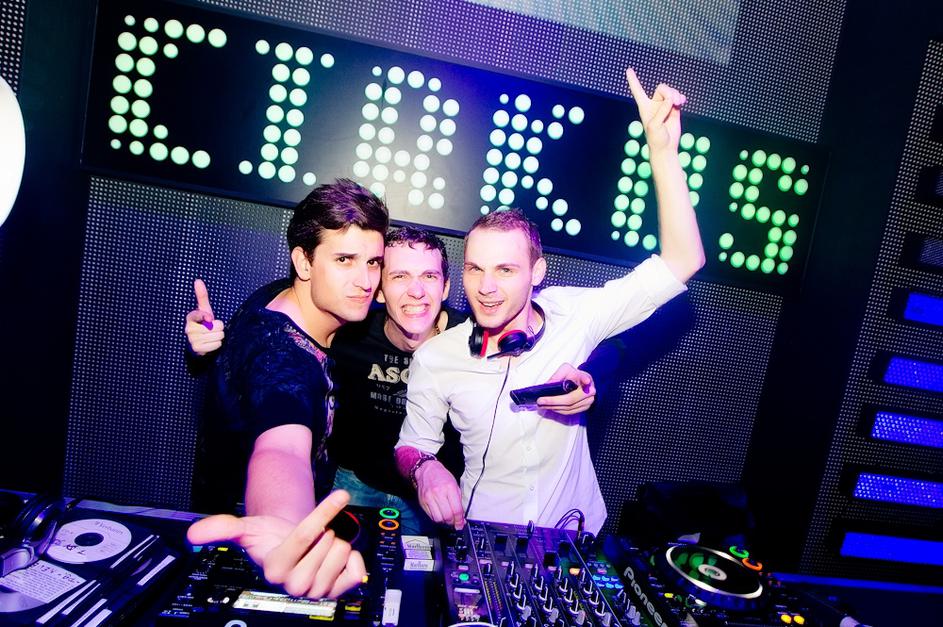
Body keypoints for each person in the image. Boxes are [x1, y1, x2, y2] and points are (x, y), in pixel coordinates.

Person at [394, 68, 706, 534]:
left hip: (575, 535)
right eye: (475, 269)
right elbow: (411, 445)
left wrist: (662, 152)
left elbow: (684, 259)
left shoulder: (574, 313)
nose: (486, 287)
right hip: (487, 536)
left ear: (536, 273)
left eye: (505, 270)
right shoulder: (437, 358)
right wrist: (425, 469)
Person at [186, 226, 601, 536]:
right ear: (380, 290)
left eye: (429, 277)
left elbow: (569, 347)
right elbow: (275, 361)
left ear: (446, 287)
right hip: (354, 484)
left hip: (431, 498)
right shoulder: (348, 333)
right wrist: (208, 351)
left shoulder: (474, 341)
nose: (416, 292)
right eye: (400, 277)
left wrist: (588, 383)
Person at [185, 178, 388, 600]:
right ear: (304, 262)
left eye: (373, 262)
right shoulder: (284, 360)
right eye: (345, 260)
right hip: (249, 549)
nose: (366, 280)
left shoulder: (280, 296)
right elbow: (282, 447)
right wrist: (286, 529)